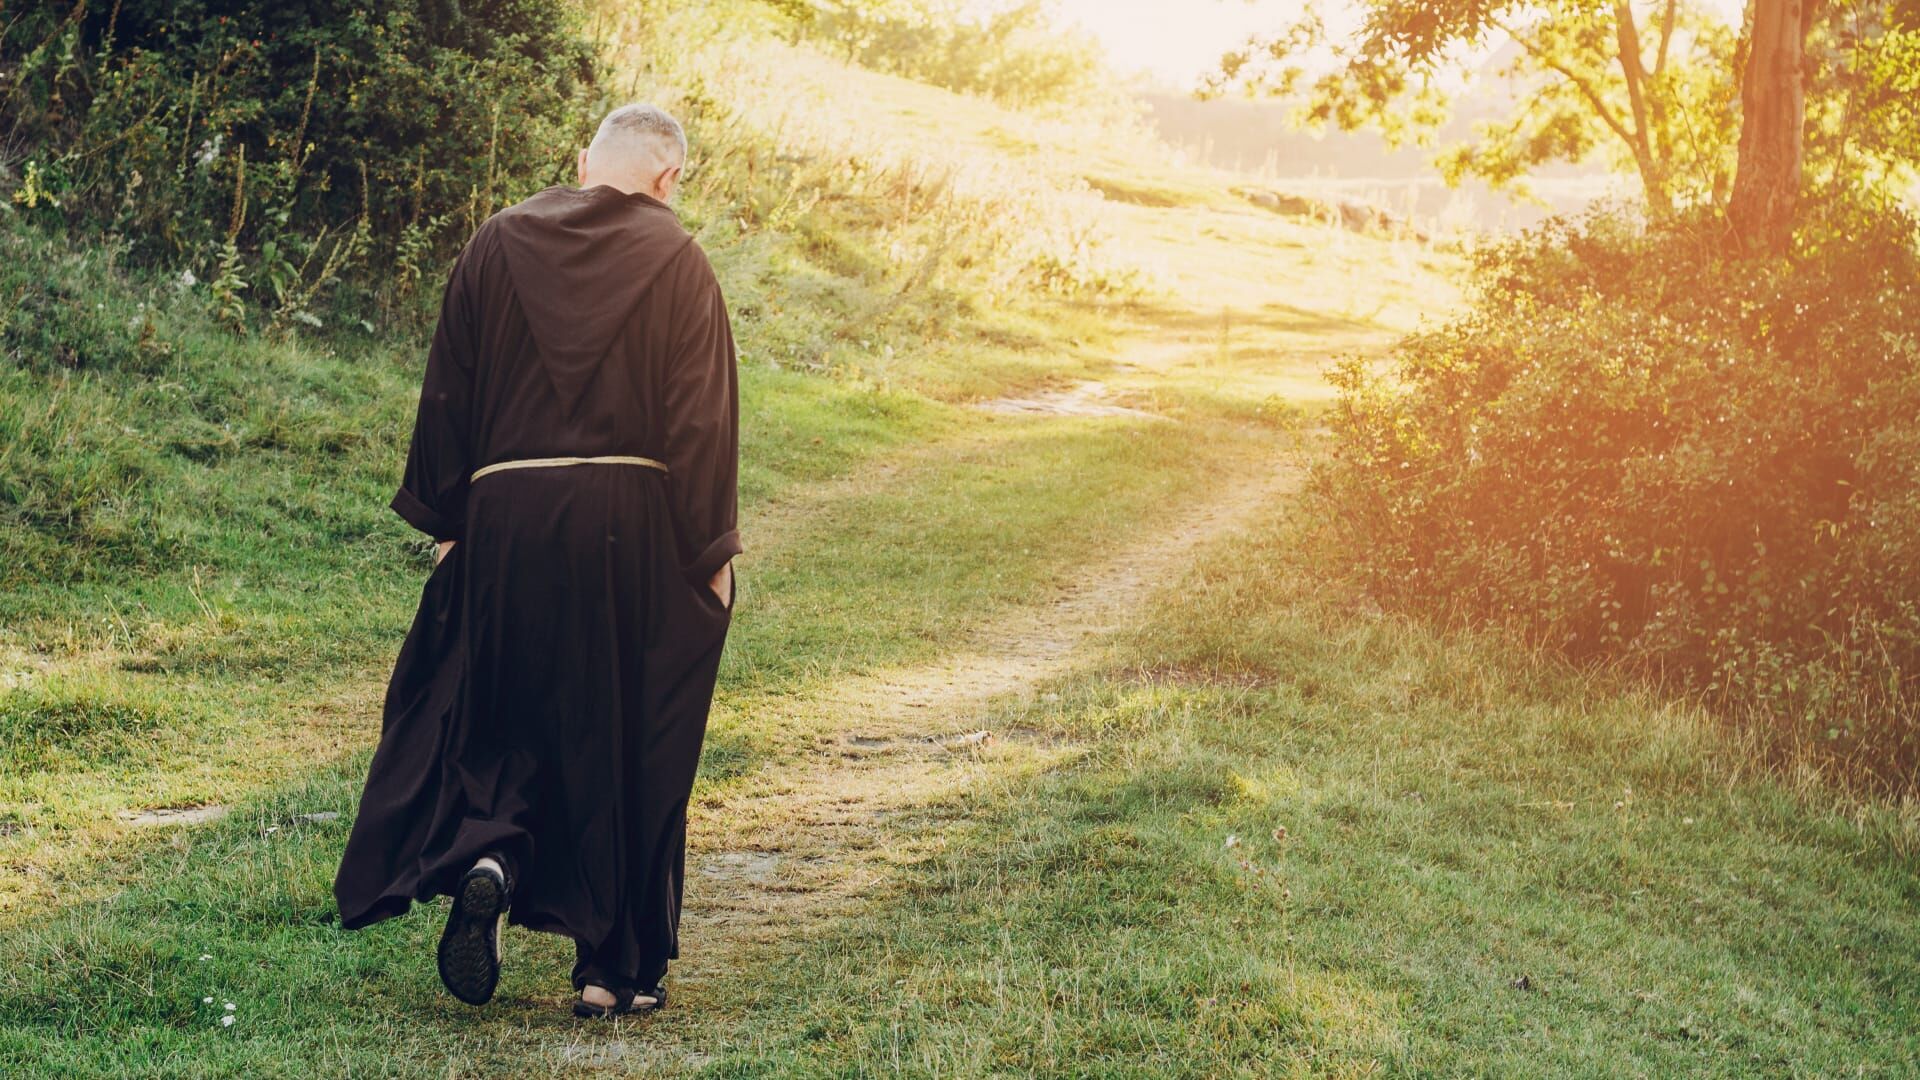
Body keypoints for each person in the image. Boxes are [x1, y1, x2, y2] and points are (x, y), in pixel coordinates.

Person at [331, 103, 741, 1019]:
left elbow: (450, 386)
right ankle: (612, 973)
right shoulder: (677, 259)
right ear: (670, 178)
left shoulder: (496, 240)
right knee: (625, 732)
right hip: (627, 519)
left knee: (506, 712)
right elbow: (701, 416)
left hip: (504, 511)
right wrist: (710, 546)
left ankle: (492, 856)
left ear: (585, 161)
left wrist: (449, 519)